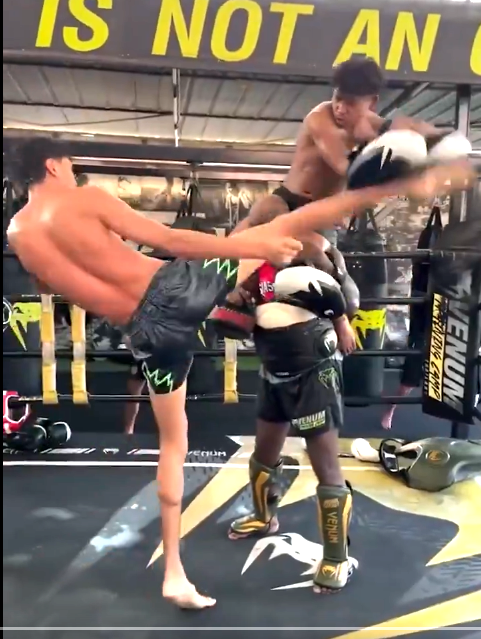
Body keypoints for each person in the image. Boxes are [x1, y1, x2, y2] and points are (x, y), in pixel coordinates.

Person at [6, 137, 472, 610]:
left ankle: (175, 575)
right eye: (70, 165)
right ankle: (396, 185)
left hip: (147, 334)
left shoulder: (18, 233)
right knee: (286, 224)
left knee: (173, 445)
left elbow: (47, 283)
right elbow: (171, 242)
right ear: (52, 164)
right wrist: (252, 245)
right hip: (175, 291)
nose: (74, 172)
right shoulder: (84, 198)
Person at [225, 234, 360, 594]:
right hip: (273, 369)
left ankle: (336, 557)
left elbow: (347, 300)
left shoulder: (314, 252)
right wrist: (235, 298)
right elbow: (235, 303)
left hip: (313, 374)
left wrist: (341, 320)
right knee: (264, 453)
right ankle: (263, 517)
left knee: (325, 466)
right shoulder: (258, 262)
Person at [246, 56, 453, 225]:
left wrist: (434, 151)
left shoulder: (378, 126)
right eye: (338, 99)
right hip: (288, 202)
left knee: (325, 258)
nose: (340, 108)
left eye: (351, 103)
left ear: (372, 102)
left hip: (322, 215)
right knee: (268, 222)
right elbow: (345, 168)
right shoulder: (320, 118)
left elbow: (421, 135)